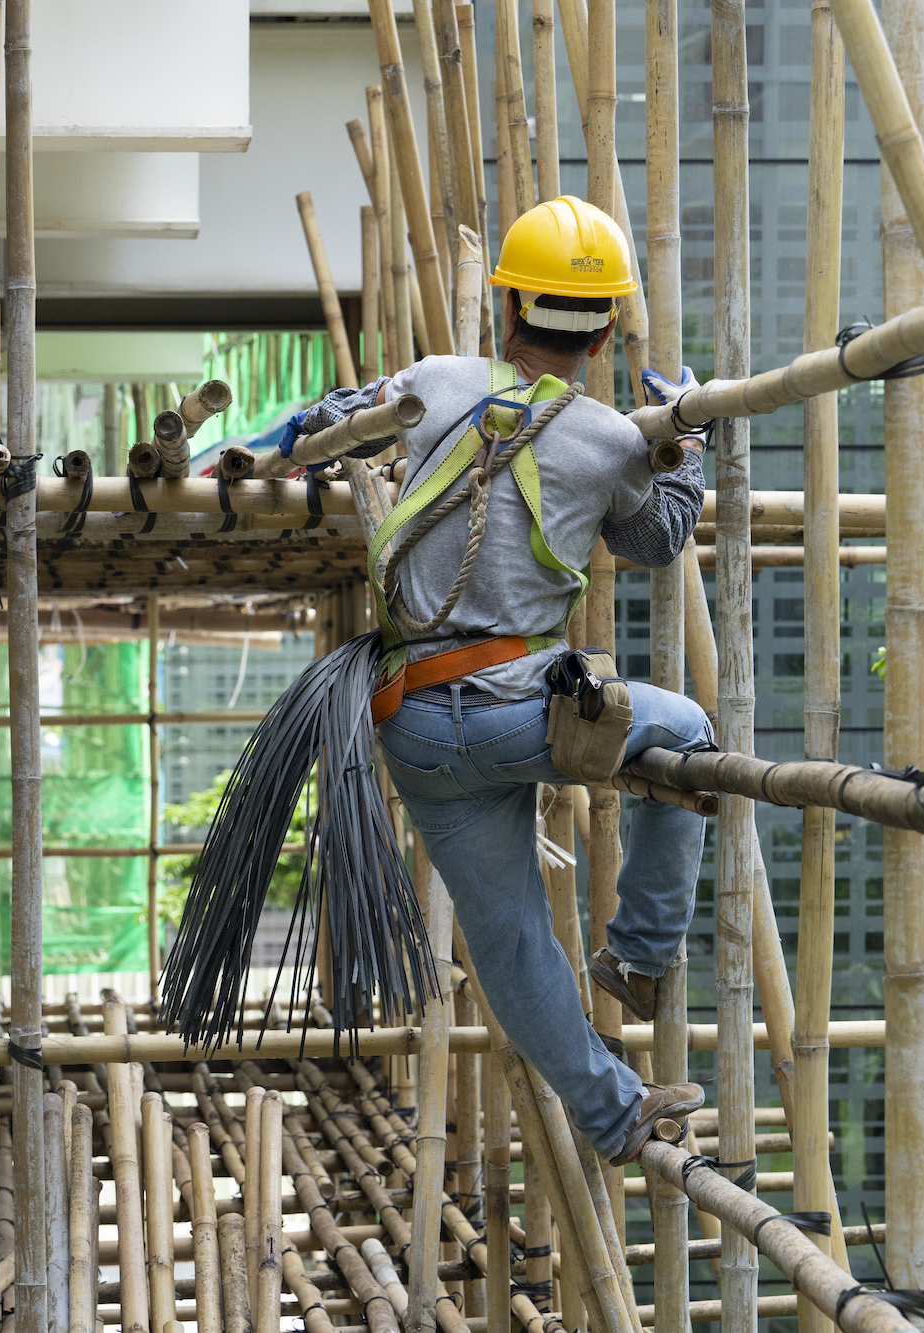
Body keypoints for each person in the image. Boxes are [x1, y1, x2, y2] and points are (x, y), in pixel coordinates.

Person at [287, 196, 715, 1165]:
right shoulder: (611, 437)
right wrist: (685, 452)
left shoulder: (435, 381)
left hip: (413, 725)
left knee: (511, 940)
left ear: (506, 305)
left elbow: (329, 425)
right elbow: (655, 540)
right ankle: (639, 955)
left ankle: (612, 1112)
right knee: (685, 728)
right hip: (520, 712)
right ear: (604, 327)